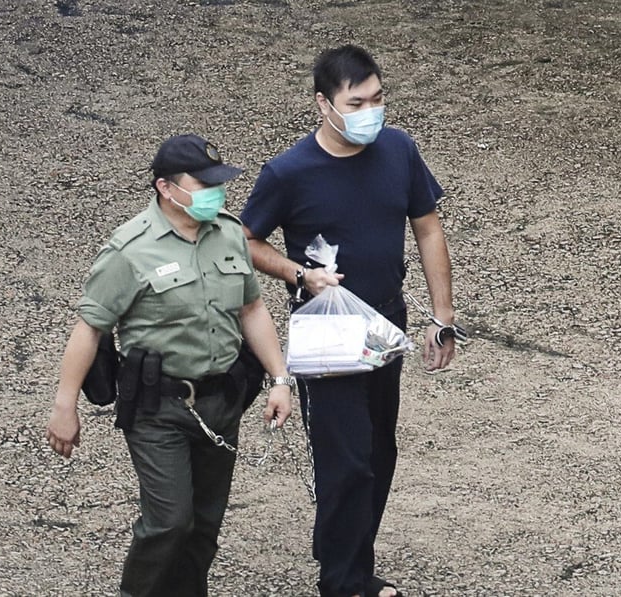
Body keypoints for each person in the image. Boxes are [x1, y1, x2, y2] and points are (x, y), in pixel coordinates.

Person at [240, 45, 458, 597]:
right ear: (323, 104)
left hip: (384, 322)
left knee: (379, 453)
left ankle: (350, 560)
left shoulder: (398, 149)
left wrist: (442, 316)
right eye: (356, 101)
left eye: (378, 98)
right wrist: (297, 274)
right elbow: (244, 240)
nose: (371, 111)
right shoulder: (289, 172)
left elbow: (428, 229)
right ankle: (343, 583)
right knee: (346, 461)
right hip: (326, 326)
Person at [45, 134, 294, 597]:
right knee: (169, 522)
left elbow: (252, 310)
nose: (215, 193)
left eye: (218, 184)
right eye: (203, 184)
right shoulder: (130, 249)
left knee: (203, 525)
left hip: (223, 402)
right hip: (159, 409)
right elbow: (89, 328)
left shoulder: (228, 234)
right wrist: (65, 405)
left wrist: (280, 379)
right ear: (165, 187)